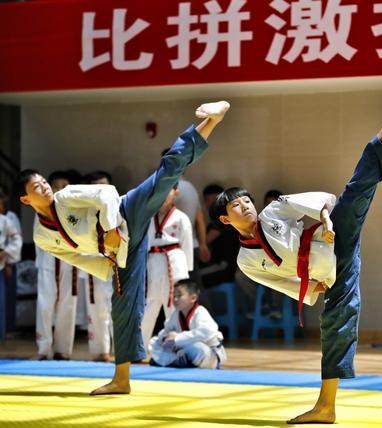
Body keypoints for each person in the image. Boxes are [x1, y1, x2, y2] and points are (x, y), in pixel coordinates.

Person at [210, 96, 382, 423]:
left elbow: (323, 200)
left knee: (359, 187)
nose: (247, 206)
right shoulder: (246, 261)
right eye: (237, 206)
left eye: (247, 200)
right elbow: (280, 283)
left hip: (335, 235)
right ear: (225, 220)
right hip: (332, 273)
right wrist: (310, 292)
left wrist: (327, 219)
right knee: (334, 326)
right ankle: (326, 407)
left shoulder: (273, 211)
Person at [17, 100, 230, 394]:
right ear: (26, 200)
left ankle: (212, 121)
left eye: (43, 181)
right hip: (120, 252)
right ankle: (121, 379)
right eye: (36, 187)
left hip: (126, 213)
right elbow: (73, 256)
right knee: (123, 308)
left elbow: (106, 192)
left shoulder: (65, 196)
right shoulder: (42, 235)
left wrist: (111, 228)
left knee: (166, 172)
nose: (44, 187)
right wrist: (105, 265)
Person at [33, 171, 79, 360]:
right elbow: (37, 239)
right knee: (45, 305)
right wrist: (41, 262)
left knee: (67, 307)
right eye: (56, 185)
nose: (60, 189)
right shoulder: (42, 209)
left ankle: (63, 350)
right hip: (48, 262)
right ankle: (43, 349)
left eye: (64, 185)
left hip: (70, 262)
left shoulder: (76, 210)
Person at [141, 183, 193, 351]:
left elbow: (187, 246)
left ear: (175, 192)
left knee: (174, 306)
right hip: (153, 262)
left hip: (175, 262)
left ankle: (175, 347)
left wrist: (186, 272)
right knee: (149, 305)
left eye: (168, 189)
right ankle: (139, 348)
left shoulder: (181, 217)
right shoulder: (148, 217)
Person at [148, 279, 225, 368]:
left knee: (198, 348)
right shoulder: (176, 314)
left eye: (179, 295)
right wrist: (165, 338)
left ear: (193, 298)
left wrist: (178, 338)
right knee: (154, 342)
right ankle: (177, 361)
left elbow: (207, 332)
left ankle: (168, 361)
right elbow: (166, 330)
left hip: (210, 353)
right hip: (183, 350)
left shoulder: (200, 312)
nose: (175, 299)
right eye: (174, 296)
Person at [82, 170, 116, 362]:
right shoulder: (83, 210)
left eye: (104, 186)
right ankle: (100, 351)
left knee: (117, 310)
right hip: (92, 264)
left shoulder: (120, 206)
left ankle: (123, 352)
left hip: (114, 265)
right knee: (96, 310)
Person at [0, 211, 22, 340]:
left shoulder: (5, 220)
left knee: (1, 304)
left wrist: (6, 253)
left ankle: (1, 335)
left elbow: (16, 239)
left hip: (1, 263)